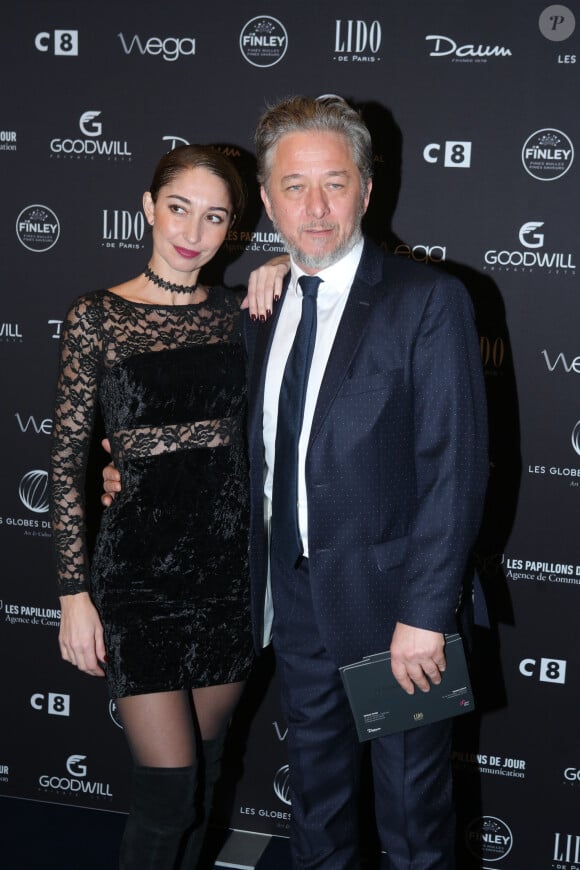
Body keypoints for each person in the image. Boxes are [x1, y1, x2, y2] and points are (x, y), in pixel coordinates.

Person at [104, 97, 488, 868]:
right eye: (294, 187)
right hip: (298, 601)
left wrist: (423, 614)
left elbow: (456, 468)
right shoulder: (258, 306)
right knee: (318, 806)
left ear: (368, 190)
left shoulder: (426, 302)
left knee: (413, 817)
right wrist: (130, 477)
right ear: (269, 200)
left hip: (396, 614)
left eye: (335, 184)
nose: (314, 208)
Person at [50, 143, 287, 870]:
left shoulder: (244, 313)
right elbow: (64, 464)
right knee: (167, 792)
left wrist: (286, 270)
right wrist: (73, 594)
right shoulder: (97, 315)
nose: (193, 231)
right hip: (138, 577)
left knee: (207, 780)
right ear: (149, 208)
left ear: (233, 231)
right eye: (179, 207)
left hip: (225, 576)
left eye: (214, 217)